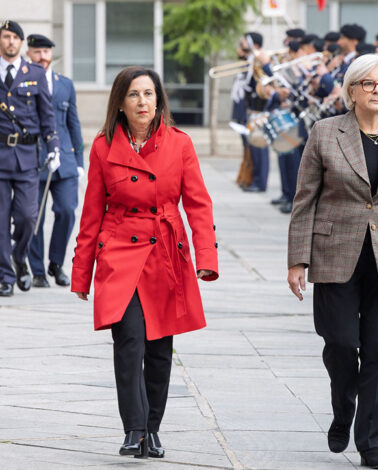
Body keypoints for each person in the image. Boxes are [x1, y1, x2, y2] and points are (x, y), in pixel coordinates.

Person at [286, 54, 378, 469]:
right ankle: (344, 404)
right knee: (338, 341)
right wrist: (297, 260)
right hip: (335, 252)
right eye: (368, 84)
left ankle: (370, 440)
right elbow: (304, 200)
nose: (377, 91)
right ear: (351, 90)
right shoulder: (325, 132)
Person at [71, 67, 219, 458]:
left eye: (149, 94)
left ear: (159, 101)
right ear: (120, 102)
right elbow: (91, 213)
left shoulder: (179, 143)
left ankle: (152, 429)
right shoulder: (103, 146)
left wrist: (206, 256)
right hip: (119, 250)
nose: (142, 102)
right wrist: (82, 272)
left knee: (159, 348)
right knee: (129, 340)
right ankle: (134, 428)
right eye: (134, 94)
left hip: (164, 252)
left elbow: (199, 205)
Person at [0, 20, 59, 297]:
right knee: (1, 221)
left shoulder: (34, 73)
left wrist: (53, 146)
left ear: (21, 43)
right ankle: (5, 276)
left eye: (15, 37)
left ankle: (18, 256)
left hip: (26, 158)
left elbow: (47, 115)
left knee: (26, 217)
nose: (10, 41)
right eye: (6, 36)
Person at [24, 34, 83, 288]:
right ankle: (37, 271)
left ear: (51, 54)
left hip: (64, 161)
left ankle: (56, 263)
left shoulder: (65, 84)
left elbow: (73, 123)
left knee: (67, 210)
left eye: (46, 52)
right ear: (29, 54)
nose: (42, 57)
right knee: (32, 216)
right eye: (37, 52)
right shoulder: (22, 82)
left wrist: (79, 161)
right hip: (33, 159)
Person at [232, 32, 269, 193]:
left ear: (254, 45)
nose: (241, 44)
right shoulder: (249, 62)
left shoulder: (260, 62)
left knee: (259, 146)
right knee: (251, 147)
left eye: (244, 42)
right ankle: (252, 178)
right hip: (249, 109)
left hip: (259, 110)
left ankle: (260, 182)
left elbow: (262, 85)